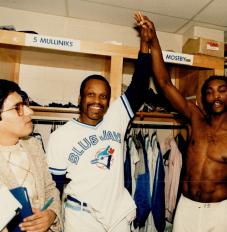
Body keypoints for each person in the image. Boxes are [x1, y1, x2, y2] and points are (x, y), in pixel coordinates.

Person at [134, 14, 227, 232]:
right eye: (209, 92)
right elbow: (164, 83)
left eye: (221, 91)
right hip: (187, 206)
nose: (216, 96)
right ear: (203, 100)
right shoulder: (194, 118)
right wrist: (153, 39)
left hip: (218, 211)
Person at [46, 13, 152, 232]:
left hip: (117, 215)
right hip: (82, 218)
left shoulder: (116, 117)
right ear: (80, 99)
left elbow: (140, 86)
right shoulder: (60, 137)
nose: (97, 101)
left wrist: (144, 44)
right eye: (91, 95)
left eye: (103, 96)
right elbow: (54, 187)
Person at [0, 79, 61, 232]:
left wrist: (51, 215)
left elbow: (50, 189)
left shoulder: (33, 145)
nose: (30, 111)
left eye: (25, 104)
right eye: (18, 108)